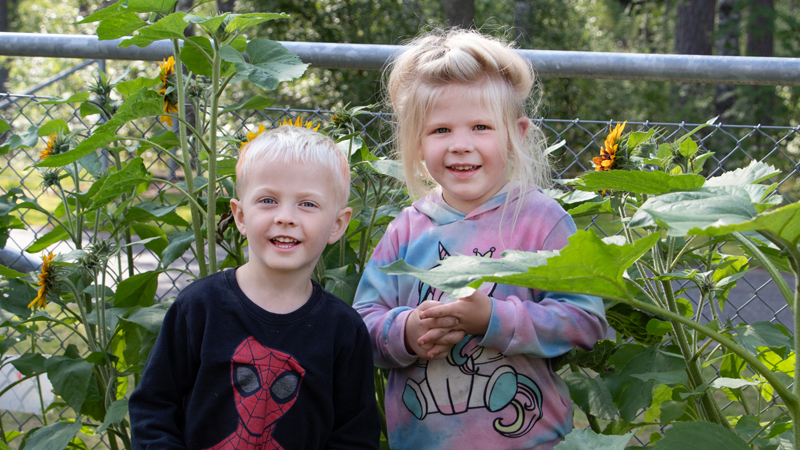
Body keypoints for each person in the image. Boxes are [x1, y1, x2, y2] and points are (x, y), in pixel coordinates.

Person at [353, 29, 608, 450]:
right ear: (417, 142)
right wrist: (407, 329)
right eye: (440, 130)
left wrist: (491, 318)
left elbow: (586, 321)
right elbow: (361, 324)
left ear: (516, 133)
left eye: (480, 126)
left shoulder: (540, 222)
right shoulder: (407, 228)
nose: (460, 145)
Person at [129, 124, 380, 450]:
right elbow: (154, 407)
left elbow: (354, 436)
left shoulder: (343, 330)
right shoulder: (200, 307)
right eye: (268, 200)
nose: (286, 217)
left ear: (337, 224)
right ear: (240, 216)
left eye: (307, 204)